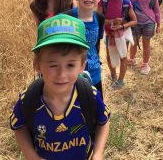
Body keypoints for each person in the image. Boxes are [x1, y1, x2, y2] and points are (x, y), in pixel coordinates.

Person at [10, 14, 110, 160]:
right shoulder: (28, 100)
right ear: (37, 65)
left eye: (70, 65)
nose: (62, 74)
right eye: (53, 65)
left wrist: (98, 154)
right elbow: (20, 127)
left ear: (82, 65)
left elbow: (103, 122)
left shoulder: (89, 96)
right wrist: (32, 156)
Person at [64, 0, 105, 97]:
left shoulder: (99, 18)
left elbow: (96, 44)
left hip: (94, 73)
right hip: (70, 75)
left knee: (96, 107)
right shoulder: (66, 18)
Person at [97, 0, 137, 89]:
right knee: (109, 56)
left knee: (123, 56)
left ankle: (120, 81)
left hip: (123, 34)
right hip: (109, 34)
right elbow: (98, 19)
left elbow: (134, 21)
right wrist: (112, 22)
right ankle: (113, 75)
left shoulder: (126, 2)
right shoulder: (103, 0)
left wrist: (122, 26)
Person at [123, 0, 161, 74]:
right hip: (134, 22)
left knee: (146, 44)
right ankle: (132, 59)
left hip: (149, 22)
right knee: (133, 42)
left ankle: (145, 64)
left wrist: (158, 25)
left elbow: (157, 10)